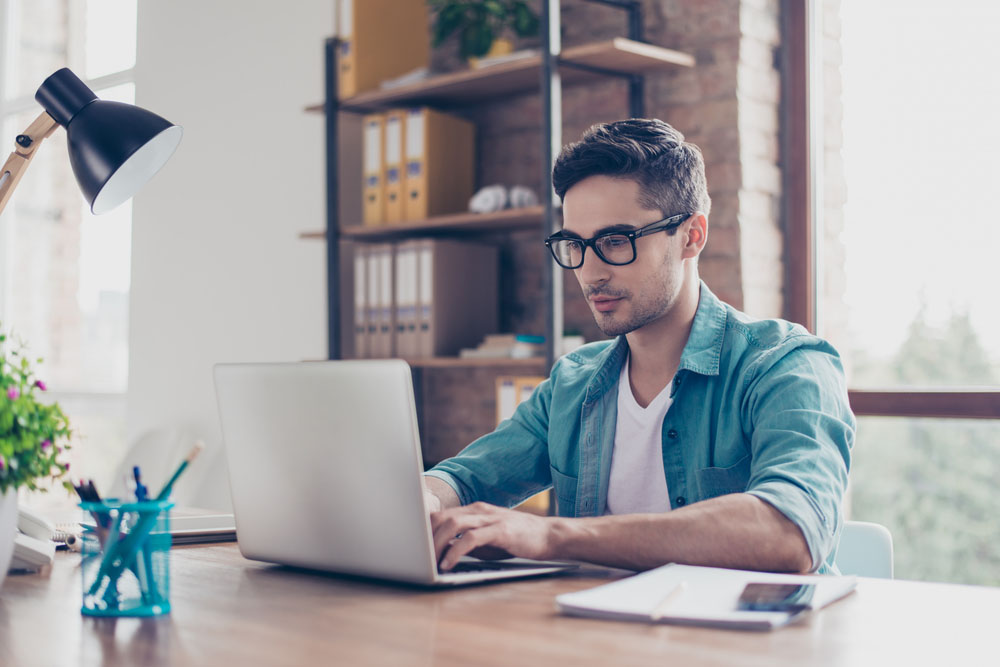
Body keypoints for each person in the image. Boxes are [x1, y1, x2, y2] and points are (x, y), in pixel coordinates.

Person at [423, 118, 854, 574]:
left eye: (615, 240)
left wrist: (551, 536)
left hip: (746, 642)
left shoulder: (787, 366)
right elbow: (464, 479)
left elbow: (790, 532)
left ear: (692, 236)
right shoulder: (573, 383)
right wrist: (424, 500)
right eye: (575, 245)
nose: (590, 273)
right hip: (600, 634)